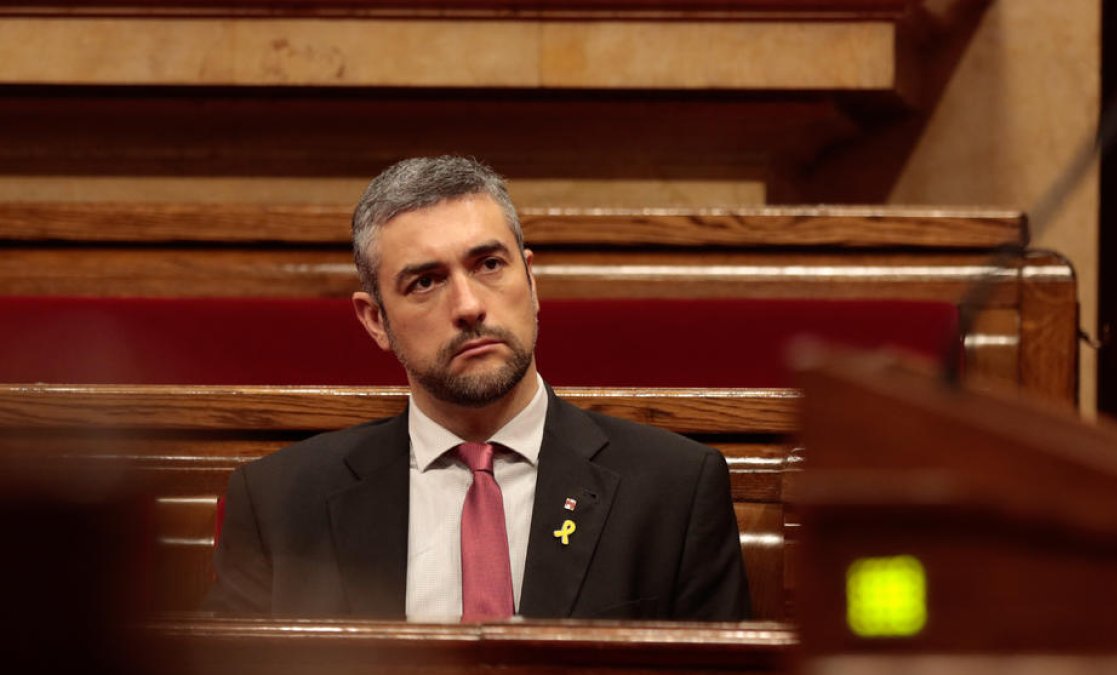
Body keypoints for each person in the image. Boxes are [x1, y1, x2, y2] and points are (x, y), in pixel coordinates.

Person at [205, 156, 751, 621]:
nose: (468, 307)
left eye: (489, 264)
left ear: (532, 281)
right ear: (374, 320)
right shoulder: (280, 503)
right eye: (425, 282)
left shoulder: (672, 489)